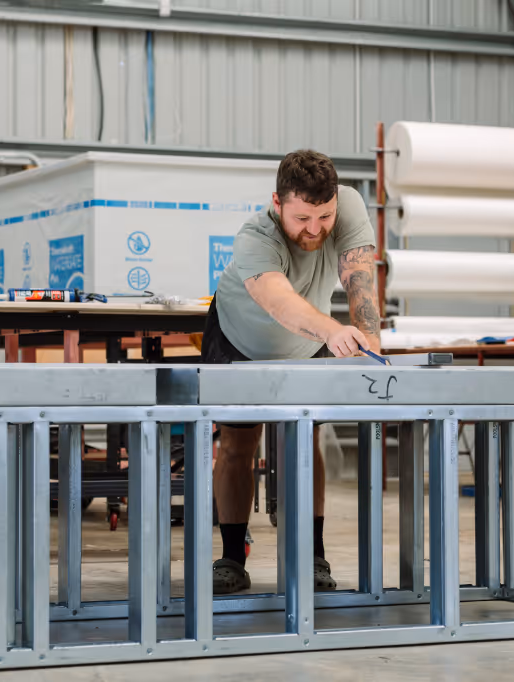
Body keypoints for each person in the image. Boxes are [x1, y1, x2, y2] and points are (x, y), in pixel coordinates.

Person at [201, 149, 381, 594]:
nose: (315, 229)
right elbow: (279, 302)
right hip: (239, 338)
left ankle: (312, 554)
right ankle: (230, 557)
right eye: (303, 218)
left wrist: (369, 345)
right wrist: (333, 330)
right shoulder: (254, 238)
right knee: (239, 443)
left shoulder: (349, 206)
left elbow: (359, 278)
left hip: (311, 338)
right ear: (277, 203)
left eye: (325, 216)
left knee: (306, 439)